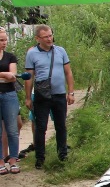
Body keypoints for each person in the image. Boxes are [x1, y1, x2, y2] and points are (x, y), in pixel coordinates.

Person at [24, 25, 75, 169]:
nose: (49, 39)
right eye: (45, 37)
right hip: (42, 95)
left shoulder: (61, 51)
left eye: (50, 35)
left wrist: (70, 92)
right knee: (41, 127)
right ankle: (40, 157)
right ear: (37, 38)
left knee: (61, 126)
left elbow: (68, 73)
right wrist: (28, 97)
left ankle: (62, 154)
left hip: (59, 94)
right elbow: (29, 77)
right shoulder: (32, 54)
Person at [0, 27, 22, 174]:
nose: (4, 42)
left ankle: (13, 159)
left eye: (5, 39)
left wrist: (7, 75)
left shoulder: (10, 57)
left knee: (12, 129)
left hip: (9, 94)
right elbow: (7, 75)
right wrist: (3, 74)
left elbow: (13, 76)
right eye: (1, 40)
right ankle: (0, 160)